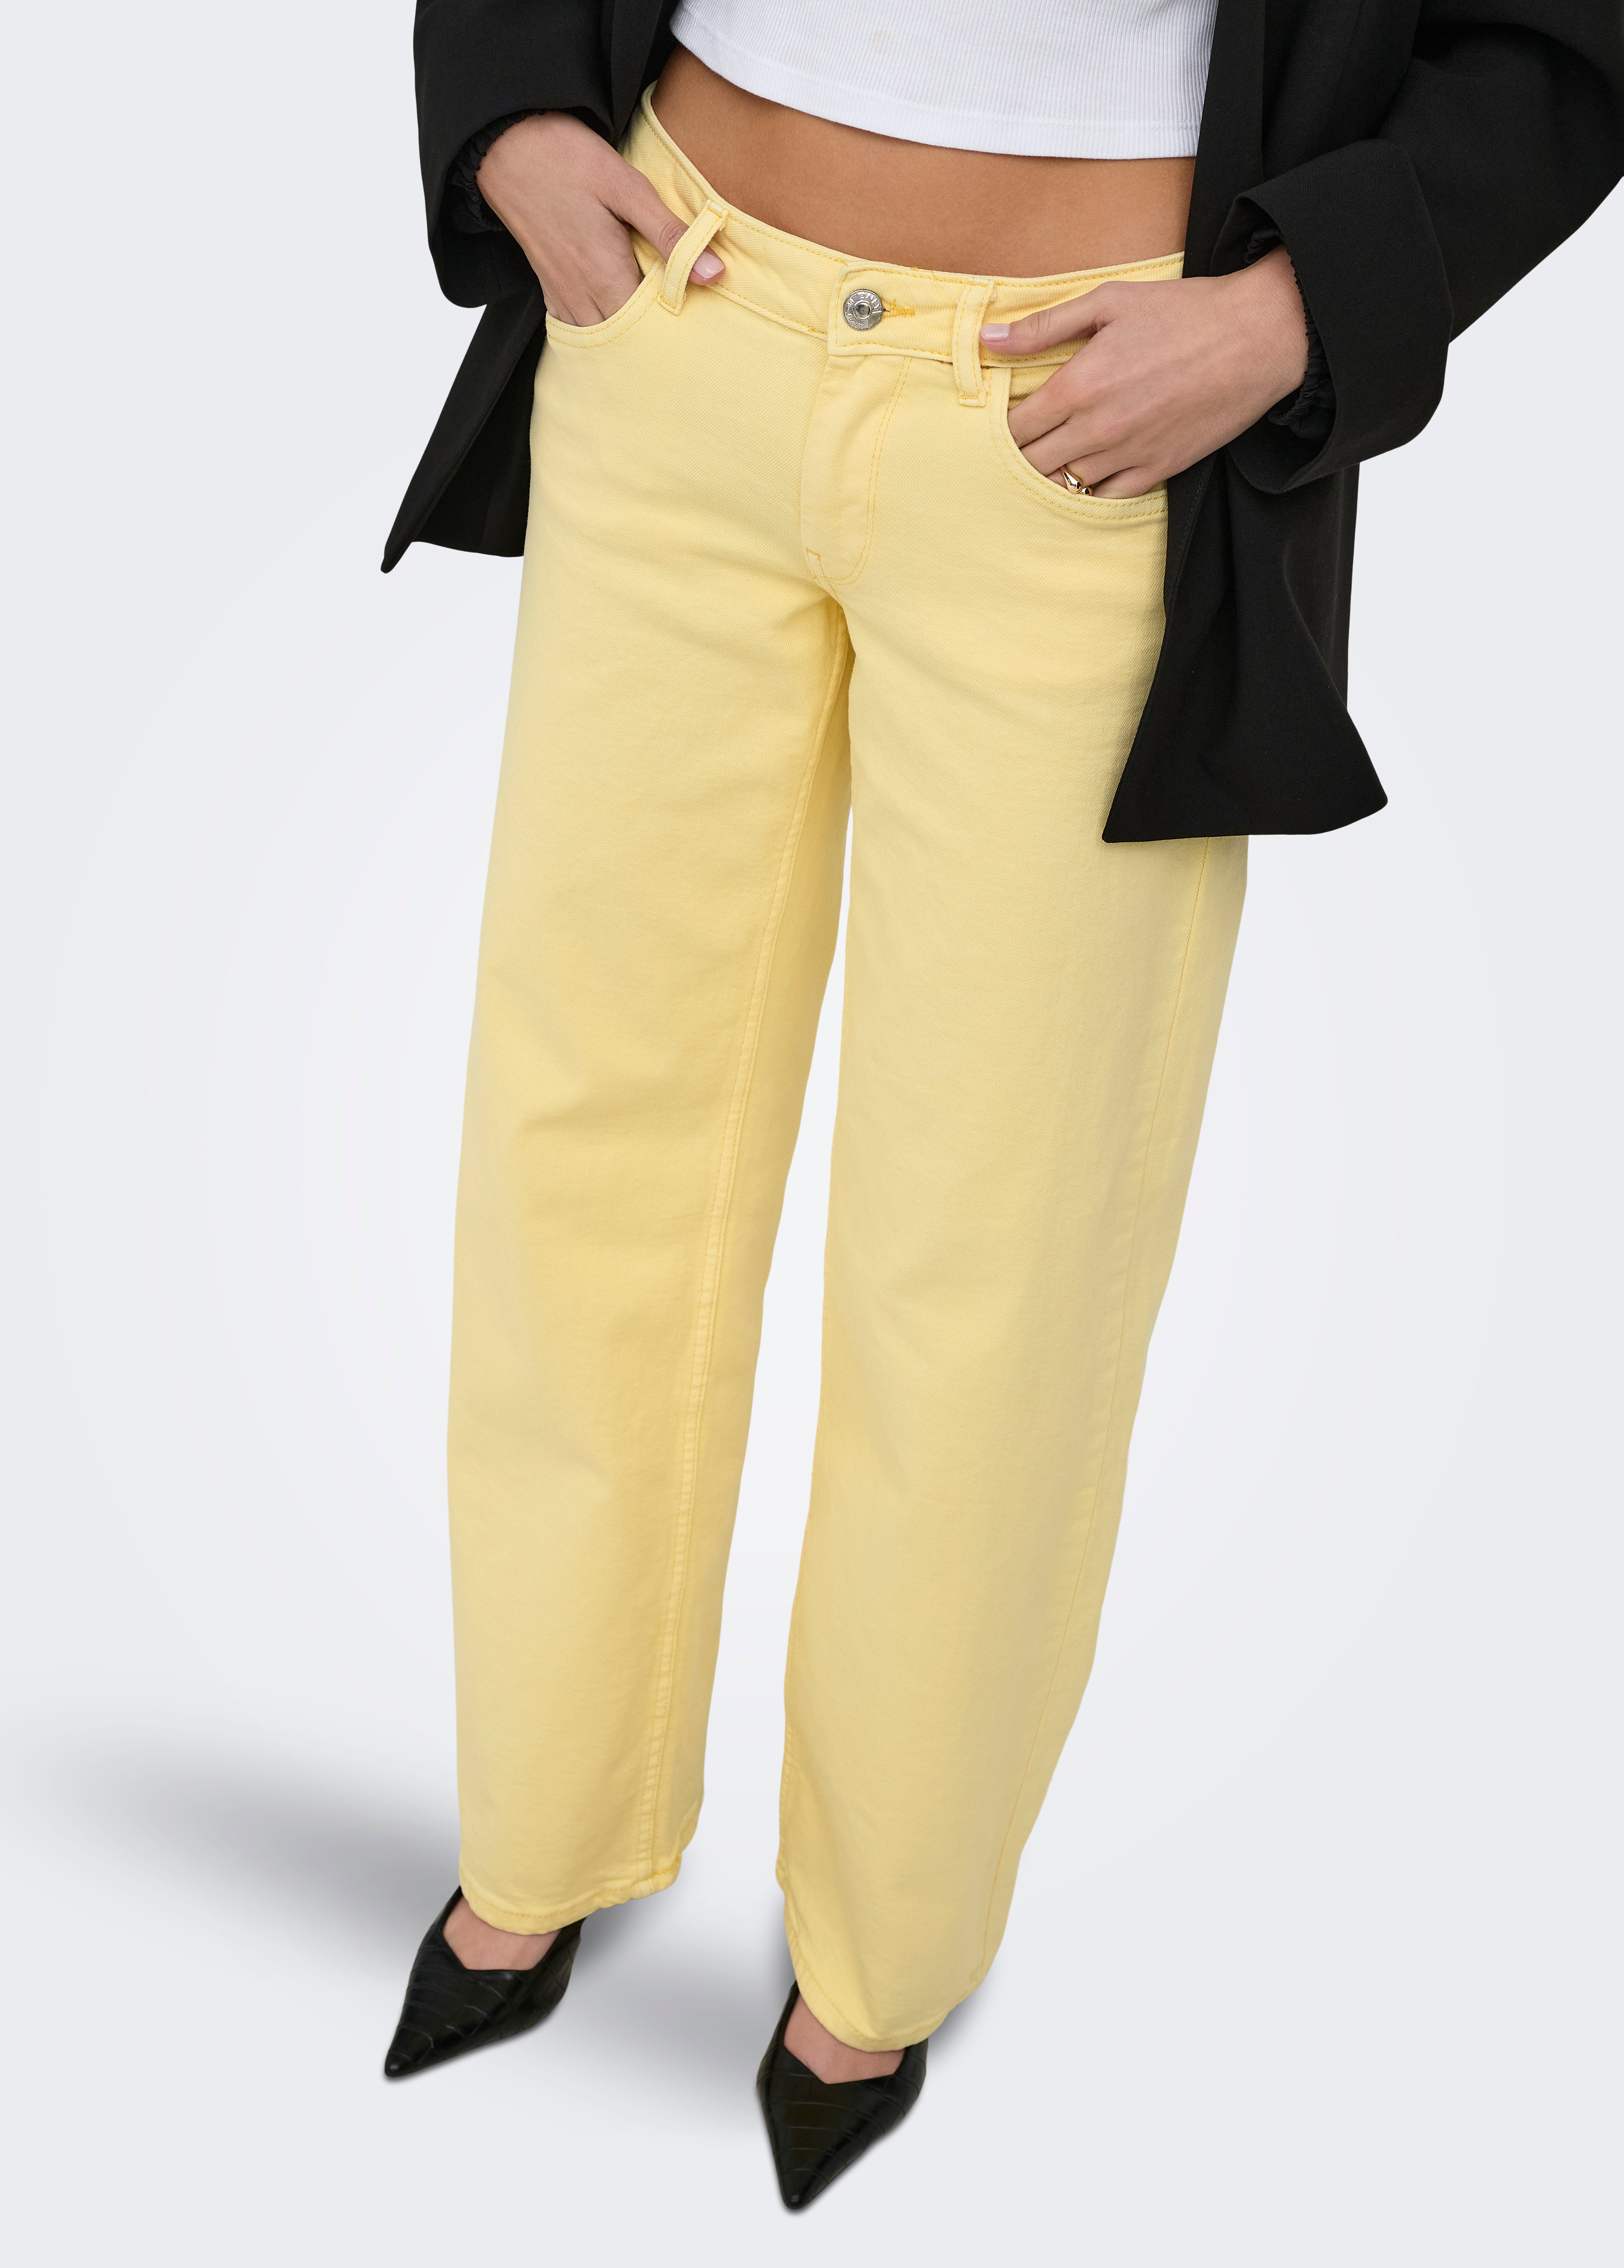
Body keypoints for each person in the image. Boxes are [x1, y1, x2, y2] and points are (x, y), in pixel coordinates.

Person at [379, 0, 1624, 2211]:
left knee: (990, 1254)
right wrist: (503, 116)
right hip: (676, 307)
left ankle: (879, 1959)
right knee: (580, 1159)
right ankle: (537, 1838)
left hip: (1091, 415)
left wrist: (1294, 311)